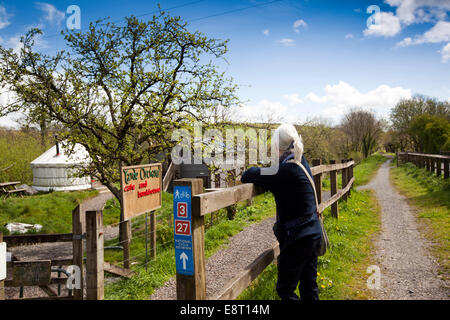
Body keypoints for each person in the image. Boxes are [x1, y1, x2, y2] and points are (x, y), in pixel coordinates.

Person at [241, 124, 322, 300]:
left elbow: (247, 175)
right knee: (309, 288)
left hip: (298, 239)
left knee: (285, 290)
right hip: (313, 234)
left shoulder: (282, 170)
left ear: (277, 147)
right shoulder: (301, 162)